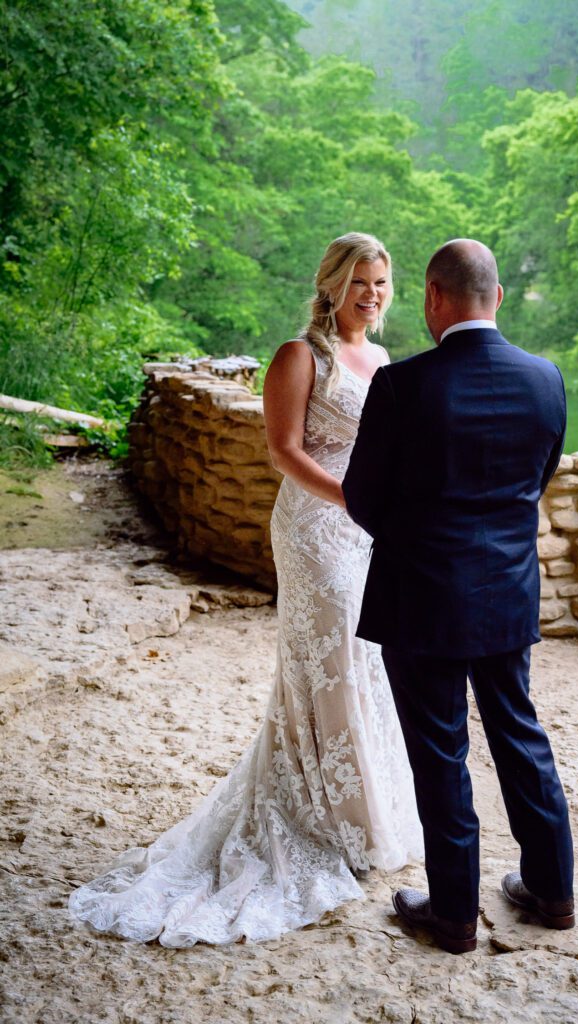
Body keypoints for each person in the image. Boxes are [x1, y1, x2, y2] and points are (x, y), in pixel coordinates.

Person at [68, 232, 422, 947]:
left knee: (367, 661)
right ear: (330, 285)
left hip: (363, 531)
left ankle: (365, 810)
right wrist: (352, 500)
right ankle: (326, 820)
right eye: (359, 281)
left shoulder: (380, 359)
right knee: (326, 667)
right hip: (314, 531)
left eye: (381, 283)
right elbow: (282, 450)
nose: (372, 294)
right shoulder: (302, 356)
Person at [343, 238, 575, 956]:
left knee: (440, 751)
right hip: (505, 592)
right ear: (496, 297)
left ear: (433, 298)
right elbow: (537, 480)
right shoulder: (545, 379)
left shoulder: (403, 385)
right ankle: (552, 892)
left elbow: (362, 497)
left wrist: (418, 539)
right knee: (519, 734)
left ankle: (452, 915)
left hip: (421, 596)